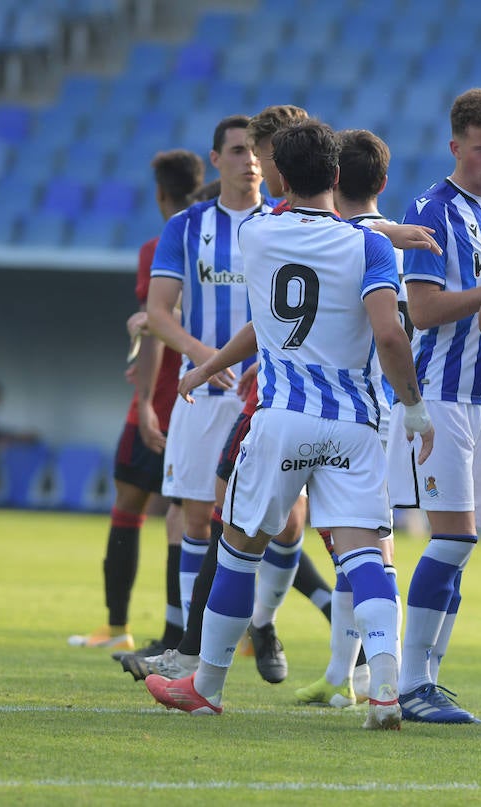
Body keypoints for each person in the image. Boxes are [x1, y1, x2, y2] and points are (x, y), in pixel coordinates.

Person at [145, 120, 434, 730]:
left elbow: (267, 319)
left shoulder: (255, 235)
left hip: (281, 422)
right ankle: (384, 690)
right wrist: (413, 407)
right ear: (336, 176)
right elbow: (387, 332)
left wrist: (202, 369)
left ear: (279, 175)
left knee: (240, 549)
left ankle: (207, 686)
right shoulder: (370, 248)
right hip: (355, 424)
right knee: (367, 560)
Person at [388, 88, 481, 725]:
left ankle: (428, 679)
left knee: (462, 545)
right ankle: (410, 683)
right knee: (455, 538)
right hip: (442, 396)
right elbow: (424, 309)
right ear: (456, 145)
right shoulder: (432, 211)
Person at [143, 115, 272, 673]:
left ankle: (263, 625)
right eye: (239, 151)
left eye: (256, 152)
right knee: (196, 518)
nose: (250, 161)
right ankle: (192, 653)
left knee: (285, 523)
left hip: (269, 398)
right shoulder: (189, 226)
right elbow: (157, 312)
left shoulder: (283, 224)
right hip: (202, 398)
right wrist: (203, 356)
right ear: (215, 159)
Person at [69, 148, 203, 654]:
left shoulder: (160, 245)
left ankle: (120, 624)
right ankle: (236, 628)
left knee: (132, 505)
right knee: (202, 516)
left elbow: (156, 321)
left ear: (160, 195)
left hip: (164, 393)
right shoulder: (225, 237)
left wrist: (144, 390)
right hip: (214, 392)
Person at [294, 127, 408, 710]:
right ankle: (348, 674)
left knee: (369, 547)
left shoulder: (348, 240)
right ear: (383, 182)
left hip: (362, 407)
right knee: (358, 542)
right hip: (384, 407)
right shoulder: (388, 243)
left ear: (334, 179)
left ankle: (372, 675)